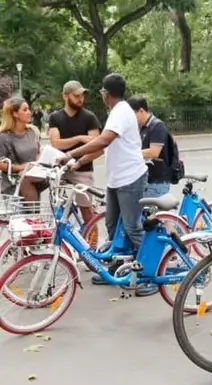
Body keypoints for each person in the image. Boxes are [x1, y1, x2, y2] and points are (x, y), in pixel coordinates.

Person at [57, 73, 148, 285]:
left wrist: (71, 154)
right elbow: (104, 145)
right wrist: (78, 163)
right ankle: (118, 267)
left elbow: (103, 140)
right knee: (113, 225)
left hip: (130, 178)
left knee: (132, 227)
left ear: (105, 94)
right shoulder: (118, 112)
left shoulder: (121, 111)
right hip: (117, 179)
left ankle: (146, 272)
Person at [48, 80, 102, 229]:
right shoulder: (55, 117)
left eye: (82, 95)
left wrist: (79, 161)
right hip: (60, 169)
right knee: (55, 210)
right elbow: (56, 143)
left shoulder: (89, 117)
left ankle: (90, 247)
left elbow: (97, 146)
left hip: (82, 168)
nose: (80, 99)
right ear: (65, 96)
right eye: (76, 95)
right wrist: (79, 138)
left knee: (87, 211)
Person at [0, 97, 45, 201]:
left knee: (34, 214)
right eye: (25, 110)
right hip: (13, 188)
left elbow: (37, 151)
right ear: (15, 114)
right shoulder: (4, 137)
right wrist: (22, 167)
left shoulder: (32, 131)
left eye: (29, 109)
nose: (29, 112)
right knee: (27, 215)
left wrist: (40, 159)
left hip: (34, 183)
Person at [127, 96, 172, 197]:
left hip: (156, 183)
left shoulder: (157, 126)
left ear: (141, 111)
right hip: (146, 180)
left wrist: (128, 154)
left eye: (131, 115)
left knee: (147, 212)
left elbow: (154, 152)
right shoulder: (141, 128)